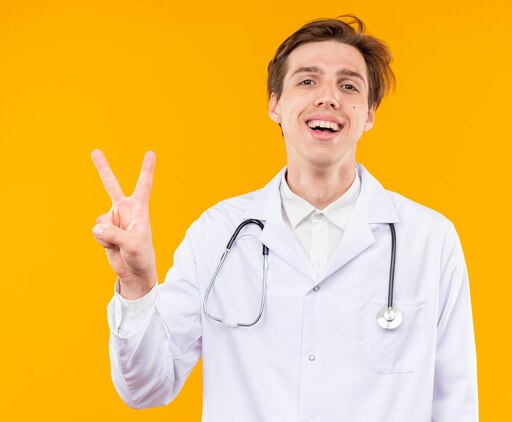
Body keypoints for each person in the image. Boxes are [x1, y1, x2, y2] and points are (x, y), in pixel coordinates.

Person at [91, 15, 478, 421]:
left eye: (349, 86)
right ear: (275, 104)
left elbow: (455, 403)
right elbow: (147, 387)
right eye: (307, 81)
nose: (328, 98)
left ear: (369, 114)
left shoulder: (429, 239)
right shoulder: (218, 234)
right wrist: (135, 286)